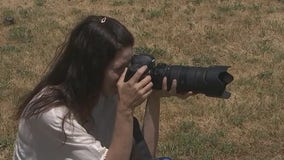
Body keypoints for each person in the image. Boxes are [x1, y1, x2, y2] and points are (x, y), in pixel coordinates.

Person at [13, 15, 194, 160]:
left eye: (129, 64)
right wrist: (125, 109)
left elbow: (143, 156)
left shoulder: (106, 92)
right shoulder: (53, 115)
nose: (127, 75)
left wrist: (154, 97)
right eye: (119, 69)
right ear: (93, 69)